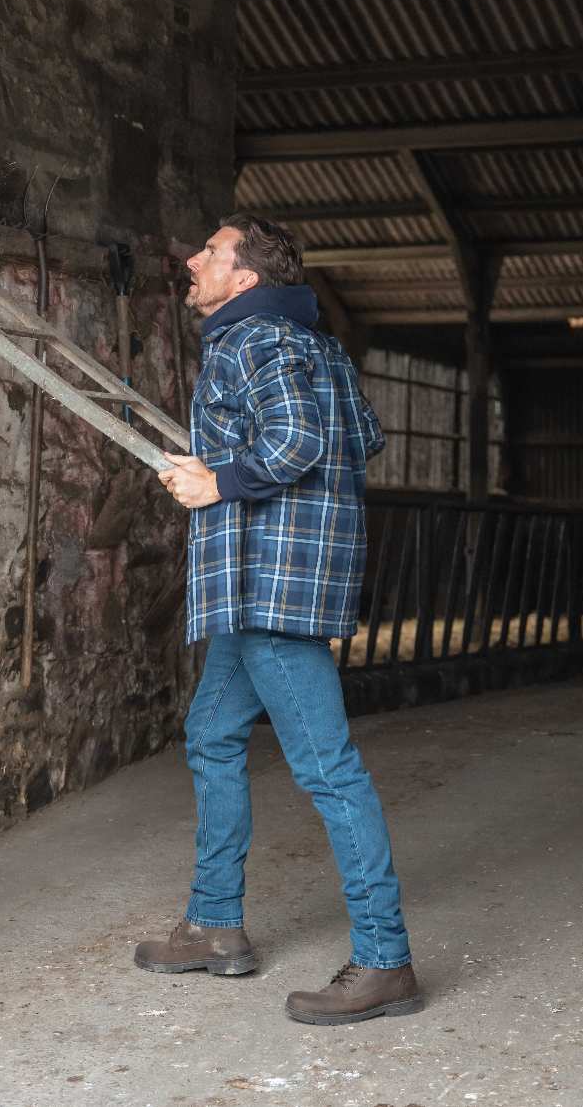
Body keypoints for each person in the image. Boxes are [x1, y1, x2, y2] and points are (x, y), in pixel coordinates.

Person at [134, 214, 421, 1025]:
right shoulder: (317, 345)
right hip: (273, 584)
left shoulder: (248, 339)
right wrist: (229, 466)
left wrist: (218, 483)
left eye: (211, 253)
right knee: (212, 732)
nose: (194, 261)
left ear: (246, 278)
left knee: (330, 770)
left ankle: (385, 959)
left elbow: (296, 443)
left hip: (267, 584)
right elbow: (362, 436)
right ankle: (213, 925)